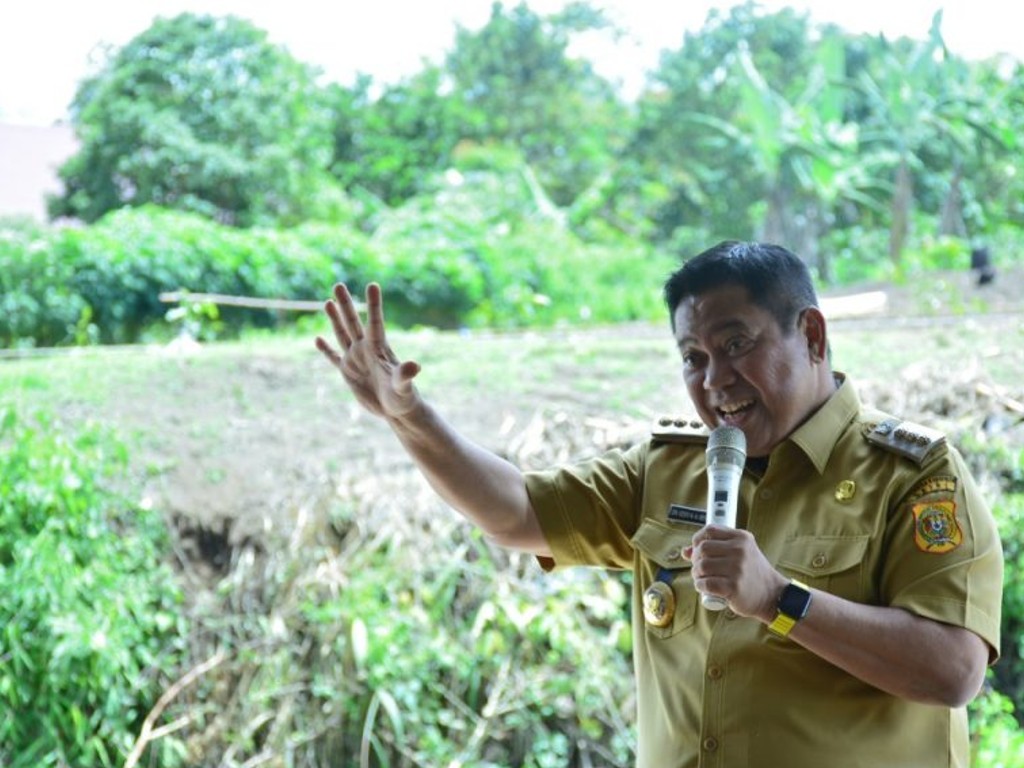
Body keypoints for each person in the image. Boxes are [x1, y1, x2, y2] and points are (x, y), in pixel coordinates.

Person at [315, 240, 1003, 768]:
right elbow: (516, 512)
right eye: (693, 358)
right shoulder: (670, 469)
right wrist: (409, 418)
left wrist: (778, 600)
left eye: (737, 345)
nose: (716, 381)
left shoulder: (912, 476)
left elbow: (951, 670)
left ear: (814, 336)